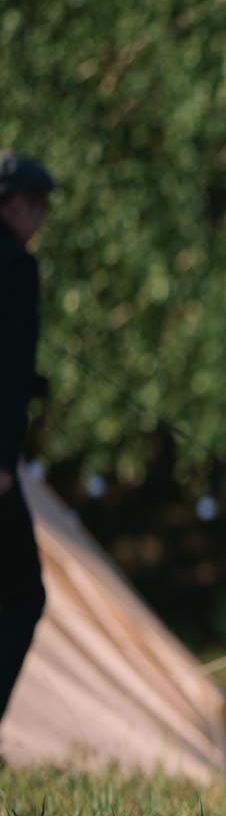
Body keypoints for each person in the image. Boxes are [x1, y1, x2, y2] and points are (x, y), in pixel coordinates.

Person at [0, 152, 55, 727]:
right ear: (14, 203)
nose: (40, 217)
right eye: (37, 205)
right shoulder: (16, 267)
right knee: (21, 596)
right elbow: (7, 369)